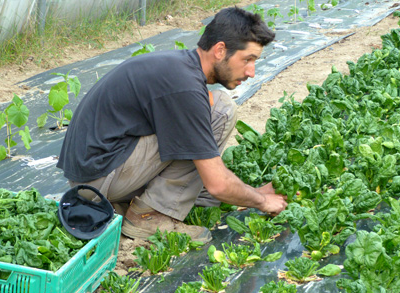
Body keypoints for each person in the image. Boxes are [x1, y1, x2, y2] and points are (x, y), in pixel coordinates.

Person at [57, 7, 288, 244]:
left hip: (98, 172)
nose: (251, 72)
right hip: (98, 180)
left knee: (216, 106)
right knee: (214, 116)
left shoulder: (180, 68)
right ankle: (148, 215)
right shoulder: (184, 86)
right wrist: (262, 201)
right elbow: (218, 183)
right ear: (220, 50)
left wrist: (250, 192)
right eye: (247, 59)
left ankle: (154, 200)